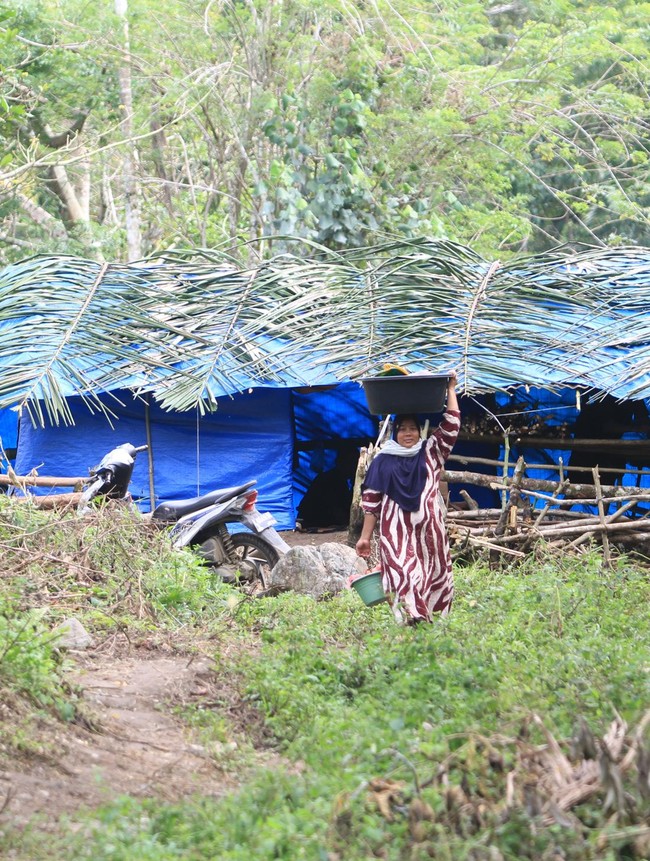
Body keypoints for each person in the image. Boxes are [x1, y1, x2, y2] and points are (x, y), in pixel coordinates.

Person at [355, 373, 460, 624]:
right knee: (402, 572)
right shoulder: (382, 461)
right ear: (395, 433)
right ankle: (414, 616)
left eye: (412, 428)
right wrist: (364, 538)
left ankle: (424, 617)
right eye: (403, 430)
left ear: (420, 431)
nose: (408, 434)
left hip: (428, 530)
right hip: (395, 532)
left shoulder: (431, 452)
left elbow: (452, 424)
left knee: (429, 572)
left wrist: (451, 388)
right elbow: (371, 503)